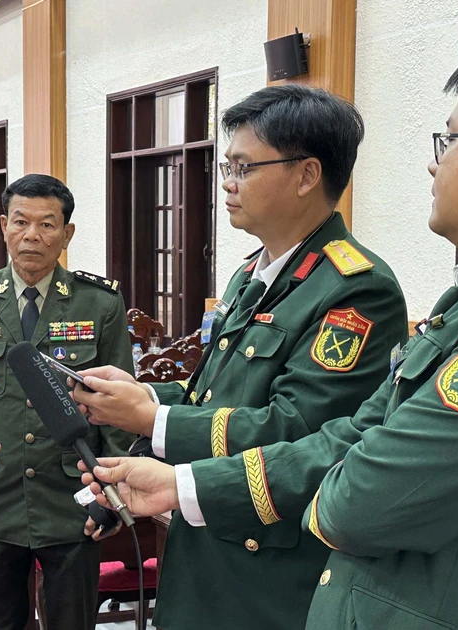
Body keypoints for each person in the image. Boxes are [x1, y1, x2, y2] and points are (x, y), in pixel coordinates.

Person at [81, 31, 458, 629]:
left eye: (452, 138)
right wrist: (184, 483)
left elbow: (354, 501)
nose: (436, 160)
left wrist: (174, 443)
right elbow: (356, 434)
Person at [69, 85, 407, 629]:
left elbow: (299, 430)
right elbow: (215, 395)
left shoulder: (356, 290)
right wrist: (141, 396)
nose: (226, 182)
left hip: (266, 573)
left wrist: (154, 419)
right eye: (227, 165)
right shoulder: (253, 273)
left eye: (244, 168)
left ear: (306, 175)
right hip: (200, 552)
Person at [0, 173, 135, 630]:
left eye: (47, 225)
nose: (32, 235)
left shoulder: (99, 303)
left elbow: (118, 414)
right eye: (21, 222)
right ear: (3, 226)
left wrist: (109, 496)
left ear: (66, 234)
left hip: (72, 503)